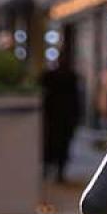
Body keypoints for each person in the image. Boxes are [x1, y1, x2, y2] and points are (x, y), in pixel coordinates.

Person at [38, 48, 80, 183]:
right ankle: (59, 172)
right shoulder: (71, 76)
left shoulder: (50, 76)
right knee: (62, 145)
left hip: (53, 115)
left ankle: (48, 169)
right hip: (64, 116)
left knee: (50, 143)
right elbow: (76, 99)